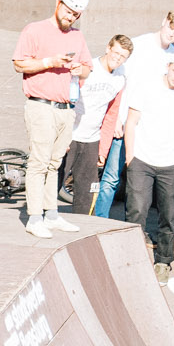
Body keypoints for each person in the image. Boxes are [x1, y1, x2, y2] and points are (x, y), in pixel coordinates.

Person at [13, 0, 93, 237]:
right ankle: (34, 218)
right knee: (39, 161)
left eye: (75, 15)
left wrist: (79, 70)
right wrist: (50, 62)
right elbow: (19, 64)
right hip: (41, 104)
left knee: (54, 163)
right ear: (58, 3)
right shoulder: (34, 30)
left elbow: (88, 69)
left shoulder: (77, 36)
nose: (70, 17)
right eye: (68, 11)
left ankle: (51, 214)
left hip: (66, 107)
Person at [124, 54, 174, 283]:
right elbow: (131, 122)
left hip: (170, 164)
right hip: (142, 161)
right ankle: (131, 258)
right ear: (168, 67)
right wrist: (130, 157)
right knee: (137, 210)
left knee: (167, 215)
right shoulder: (147, 87)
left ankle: (163, 261)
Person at [67, 34, 130, 217]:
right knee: (55, 183)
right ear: (108, 48)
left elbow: (111, 115)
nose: (117, 58)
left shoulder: (120, 78)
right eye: (115, 52)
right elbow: (68, 99)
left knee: (87, 193)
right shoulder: (89, 69)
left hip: (92, 140)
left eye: (122, 56)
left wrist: (103, 150)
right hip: (71, 135)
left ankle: (81, 226)